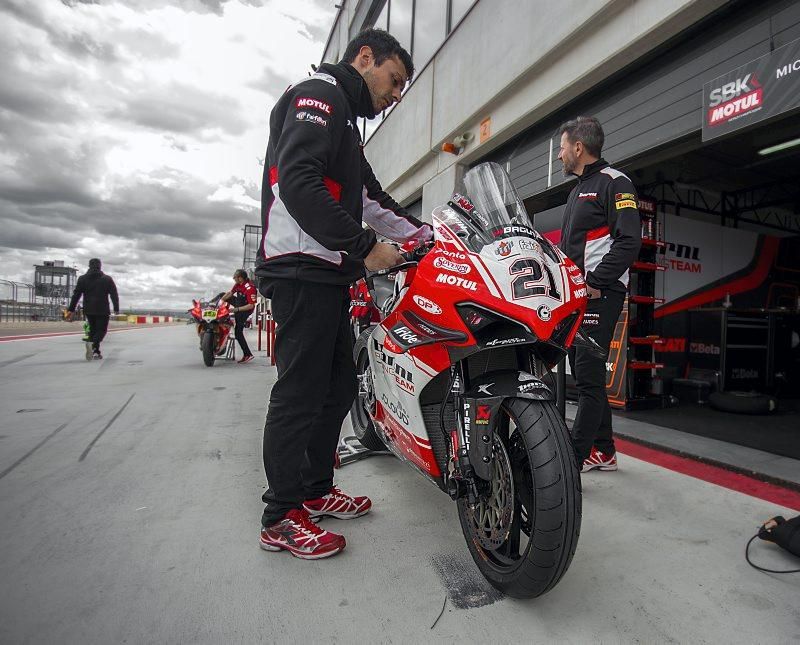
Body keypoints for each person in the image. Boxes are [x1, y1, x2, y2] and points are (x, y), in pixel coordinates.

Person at [255, 28, 432, 559]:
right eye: (394, 79)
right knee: (300, 392)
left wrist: (427, 237)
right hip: (299, 268)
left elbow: (372, 200)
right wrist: (364, 247)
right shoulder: (319, 94)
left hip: (327, 271)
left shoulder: (348, 130)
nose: (395, 94)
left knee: (335, 389)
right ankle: (281, 515)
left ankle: (313, 491)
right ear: (364, 57)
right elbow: (299, 183)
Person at [557, 116, 641, 473]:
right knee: (584, 371)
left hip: (599, 294)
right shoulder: (577, 190)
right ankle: (604, 451)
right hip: (578, 295)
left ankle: (571, 462)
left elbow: (629, 241)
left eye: (562, 147)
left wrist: (596, 281)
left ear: (579, 147)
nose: (559, 155)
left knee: (588, 375)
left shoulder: (615, 183)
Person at [66, 258, 119, 360]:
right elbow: (114, 295)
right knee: (101, 330)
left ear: (89, 266)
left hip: (88, 309)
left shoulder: (82, 279)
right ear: (100, 266)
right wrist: (116, 308)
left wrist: (71, 309)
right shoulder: (107, 279)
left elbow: (76, 295)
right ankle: (93, 345)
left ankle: (95, 351)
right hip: (102, 309)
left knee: (93, 330)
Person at [220, 269, 256, 364]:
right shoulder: (238, 285)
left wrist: (235, 309)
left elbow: (251, 305)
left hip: (244, 310)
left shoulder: (250, 288)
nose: (233, 278)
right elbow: (230, 294)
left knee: (238, 333)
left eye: (235, 277)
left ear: (240, 278)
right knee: (222, 295)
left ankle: (247, 354)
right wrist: (221, 301)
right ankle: (215, 310)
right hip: (239, 304)